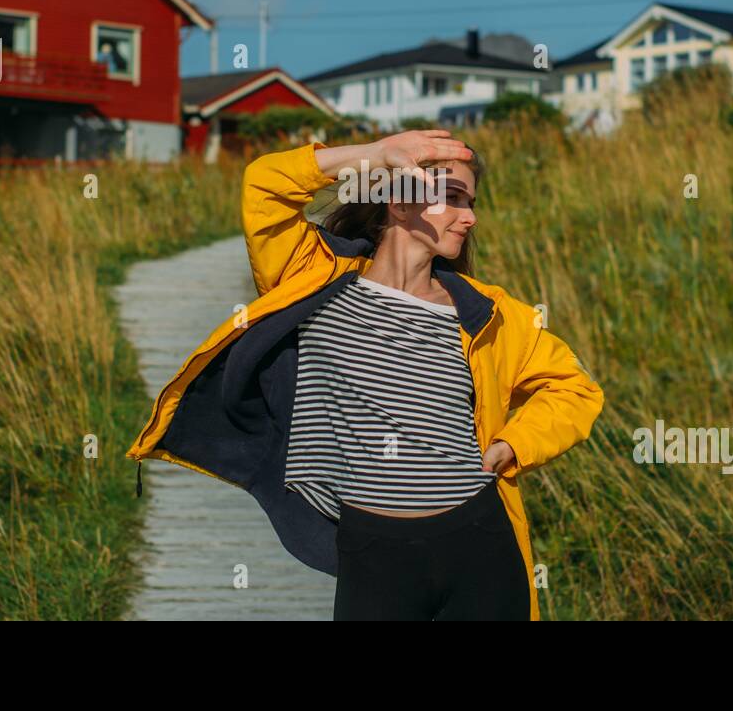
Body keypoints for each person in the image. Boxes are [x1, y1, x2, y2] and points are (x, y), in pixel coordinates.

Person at [126, 129, 605, 620]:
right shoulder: (313, 277)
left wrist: (512, 445)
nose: (471, 216)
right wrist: (374, 155)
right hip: (372, 552)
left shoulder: (487, 313)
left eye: (471, 202)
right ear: (399, 203)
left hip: (480, 539)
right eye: (454, 198)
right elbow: (264, 186)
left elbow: (574, 388)